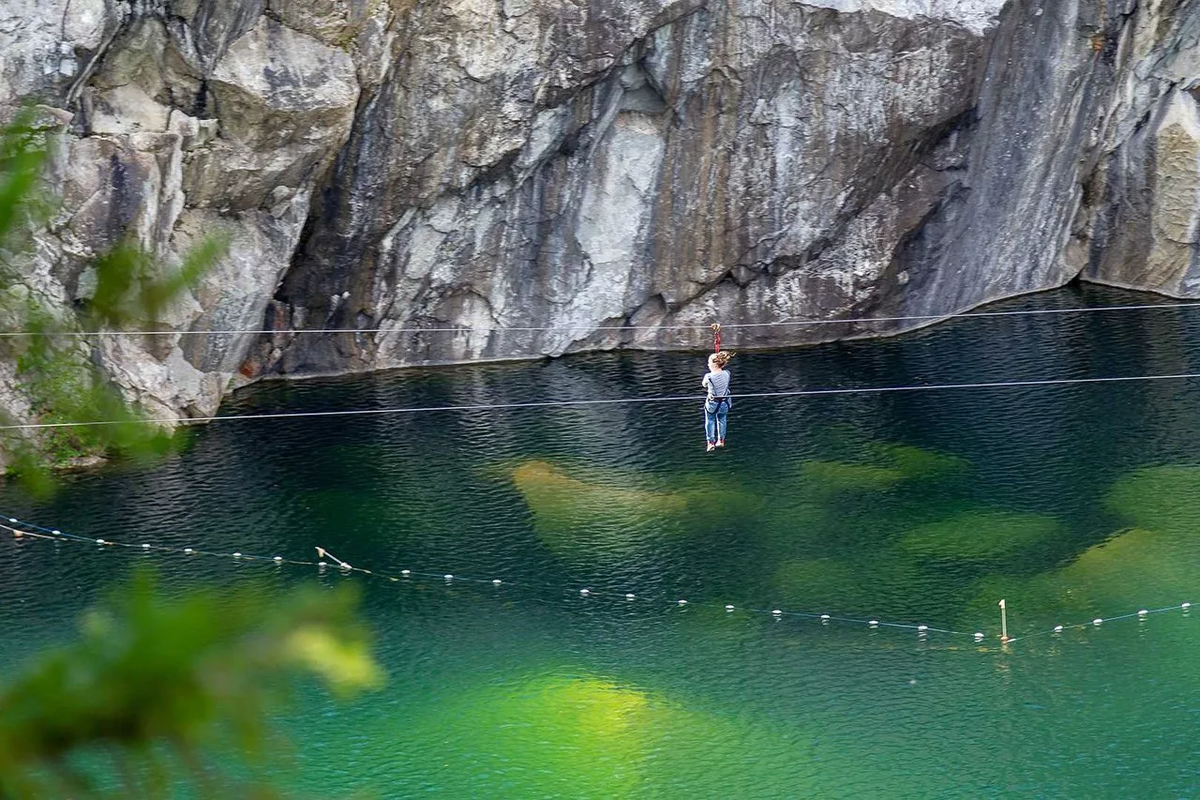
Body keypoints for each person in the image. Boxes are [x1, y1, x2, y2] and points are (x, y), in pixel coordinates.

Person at [702, 351, 733, 451]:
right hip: (725, 403)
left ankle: (710, 442)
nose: (708, 365)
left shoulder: (709, 376)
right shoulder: (727, 373)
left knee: (710, 420)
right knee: (722, 419)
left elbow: (704, 384)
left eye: (709, 363)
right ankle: (721, 440)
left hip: (713, 403)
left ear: (714, 364)